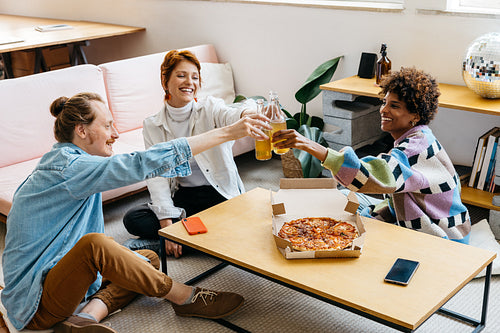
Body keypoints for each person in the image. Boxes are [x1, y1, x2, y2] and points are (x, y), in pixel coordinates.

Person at [1, 92, 271, 332]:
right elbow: (140, 163)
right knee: (95, 246)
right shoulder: (68, 168)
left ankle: (85, 319)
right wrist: (228, 132)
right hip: (35, 302)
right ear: (81, 131)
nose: (115, 133)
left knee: (147, 259)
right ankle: (185, 297)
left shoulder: (72, 162)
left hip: (64, 279)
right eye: (107, 125)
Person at [272, 67, 471, 244]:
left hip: (443, 237)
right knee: (342, 197)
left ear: (415, 115)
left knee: (344, 217)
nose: (383, 109)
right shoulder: (420, 137)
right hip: (431, 218)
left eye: (394, 106)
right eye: (384, 102)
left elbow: (369, 176)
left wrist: (309, 145)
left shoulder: (416, 148)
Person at [122, 50, 258, 258]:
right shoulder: (153, 125)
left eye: (195, 77)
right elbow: (156, 175)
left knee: (239, 226)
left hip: (219, 193)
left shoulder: (210, 108)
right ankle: (190, 238)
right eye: (181, 75)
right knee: (133, 218)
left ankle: (163, 244)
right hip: (185, 198)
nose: (189, 82)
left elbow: (232, 113)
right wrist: (167, 225)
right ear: (165, 80)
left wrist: (246, 114)